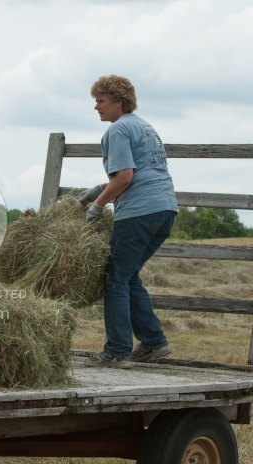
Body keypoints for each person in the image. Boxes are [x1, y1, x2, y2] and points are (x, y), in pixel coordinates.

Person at [81, 75, 178, 369]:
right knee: (128, 274)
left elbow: (125, 177)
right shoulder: (144, 126)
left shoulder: (118, 130)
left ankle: (116, 351)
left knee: (115, 278)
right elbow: (140, 172)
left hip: (138, 212)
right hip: (165, 209)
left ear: (119, 102)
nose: (96, 107)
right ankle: (153, 342)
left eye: (101, 101)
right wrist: (100, 189)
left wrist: (97, 206)